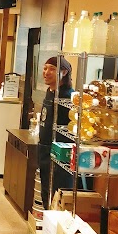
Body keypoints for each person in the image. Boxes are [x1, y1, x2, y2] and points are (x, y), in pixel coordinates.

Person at [38, 55, 73, 209]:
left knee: (57, 196)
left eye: (52, 69)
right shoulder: (50, 92)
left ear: (64, 72)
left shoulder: (68, 97)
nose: (46, 72)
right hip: (44, 150)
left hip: (60, 155)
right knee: (46, 193)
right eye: (45, 68)